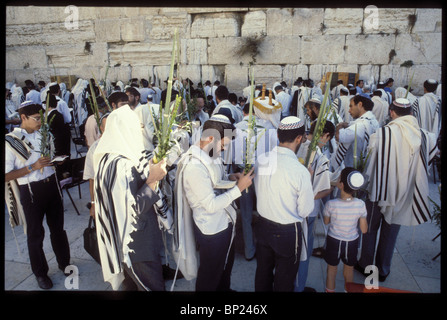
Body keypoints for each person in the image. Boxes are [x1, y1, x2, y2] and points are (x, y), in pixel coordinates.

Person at [356, 98, 438, 282]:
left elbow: (370, 165)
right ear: (410, 113)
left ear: (392, 112)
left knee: (369, 228)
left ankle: (366, 266)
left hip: (378, 191)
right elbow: (429, 157)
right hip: (404, 191)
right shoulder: (424, 135)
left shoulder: (382, 133)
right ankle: (383, 269)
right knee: (391, 231)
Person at [93, 105, 171, 291]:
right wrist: (153, 180)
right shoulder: (120, 165)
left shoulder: (109, 158)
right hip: (137, 245)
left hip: (133, 241)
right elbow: (132, 210)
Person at [173, 114, 254, 291]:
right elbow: (209, 205)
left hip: (224, 223)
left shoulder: (211, 153)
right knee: (210, 275)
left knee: (225, 266)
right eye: (223, 144)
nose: (224, 149)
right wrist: (238, 189)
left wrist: (231, 178)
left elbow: (215, 180)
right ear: (210, 138)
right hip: (212, 229)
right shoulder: (194, 166)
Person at [5, 101, 71, 290]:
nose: (40, 122)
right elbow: (7, 175)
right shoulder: (11, 141)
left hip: (52, 187)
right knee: (35, 234)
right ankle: (40, 273)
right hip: (32, 191)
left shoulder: (44, 134)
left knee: (58, 228)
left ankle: (64, 262)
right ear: (23, 118)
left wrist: (55, 162)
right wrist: (32, 167)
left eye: (42, 119)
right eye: (36, 119)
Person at [254, 116, 314, 291]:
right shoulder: (300, 171)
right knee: (285, 278)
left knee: (263, 272)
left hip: (263, 225)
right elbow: (305, 210)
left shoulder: (262, 160)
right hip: (287, 232)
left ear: (278, 136)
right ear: (299, 139)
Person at [294, 120, 335, 292]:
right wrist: (334, 183)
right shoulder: (318, 154)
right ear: (325, 136)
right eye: (328, 138)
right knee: (304, 251)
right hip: (308, 211)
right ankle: (298, 286)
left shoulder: (296, 145)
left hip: (289, 207)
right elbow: (324, 189)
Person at [323, 167, 368, 292]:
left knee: (331, 270)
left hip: (334, 241)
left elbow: (326, 222)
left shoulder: (330, 204)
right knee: (349, 271)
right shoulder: (360, 205)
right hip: (352, 242)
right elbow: (364, 230)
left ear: (341, 185)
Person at [332, 95, 379, 170]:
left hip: (353, 167)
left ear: (360, 105)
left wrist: (339, 125)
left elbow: (339, 136)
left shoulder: (360, 125)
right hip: (367, 166)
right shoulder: (373, 121)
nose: (349, 110)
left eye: (351, 106)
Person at [83, 112, 109, 217]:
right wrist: (93, 204)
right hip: (104, 198)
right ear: (101, 129)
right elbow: (92, 179)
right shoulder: (95, 148)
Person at [46, 94, 71, 180]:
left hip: (54, 143)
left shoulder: (48, 117)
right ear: (56, 104)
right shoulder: (59, 115)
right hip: (60, 142)